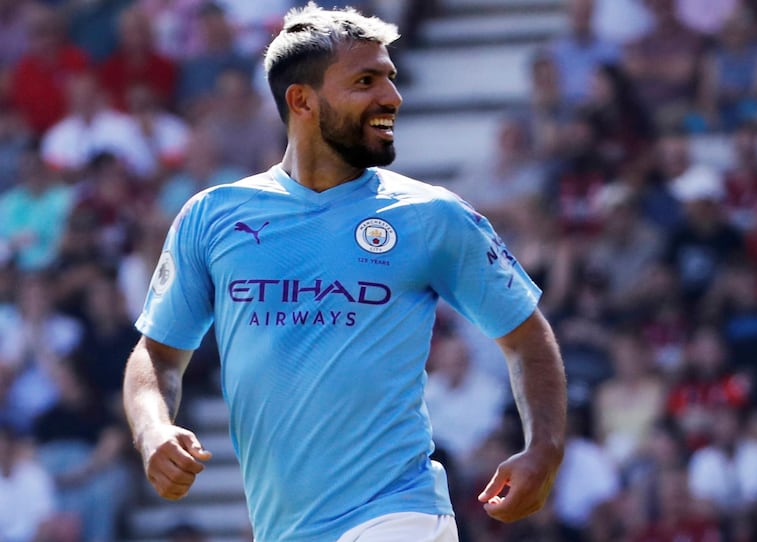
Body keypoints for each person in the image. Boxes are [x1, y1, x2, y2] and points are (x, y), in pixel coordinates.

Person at [122, 3, 567, 542]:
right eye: (365, 80)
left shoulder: (433, 216)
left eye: (391, 79)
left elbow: (527, 336)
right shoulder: (212, 217)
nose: (392, 97)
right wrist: (153, 429)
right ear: (302, 100)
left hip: (399, 513)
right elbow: (156, 355)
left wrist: (543, 447)